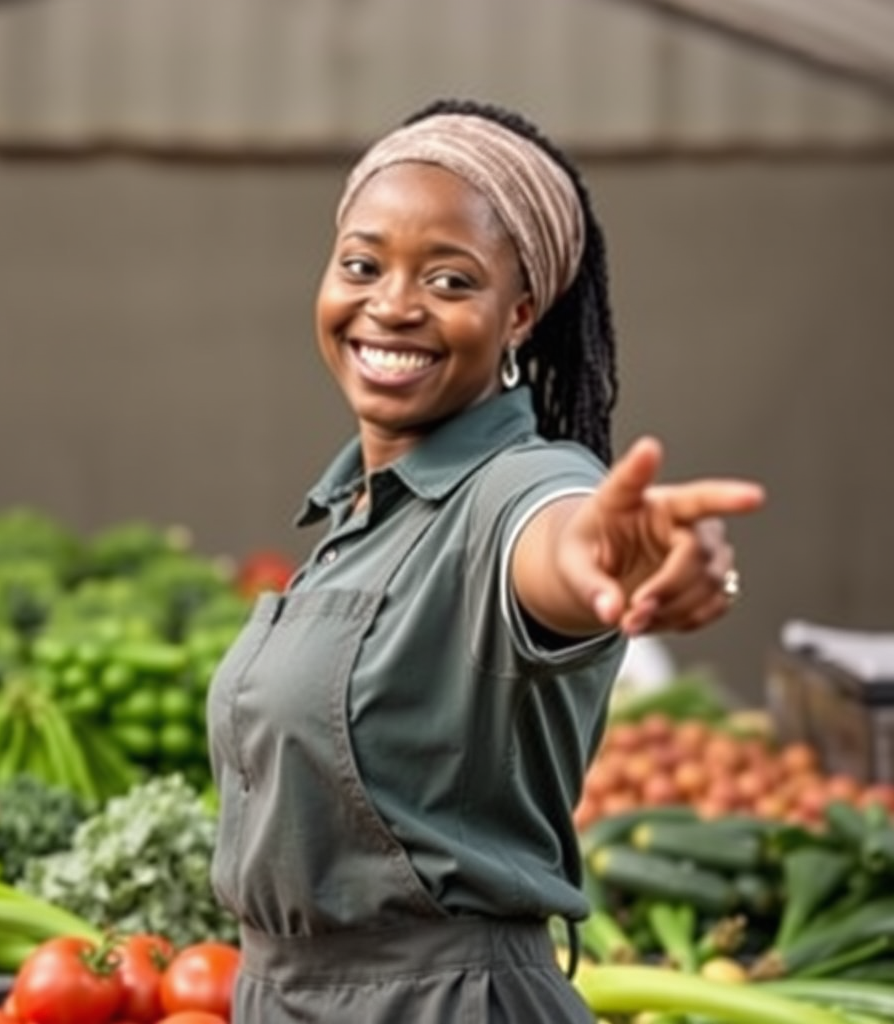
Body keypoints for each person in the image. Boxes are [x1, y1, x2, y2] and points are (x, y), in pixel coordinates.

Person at [207, 98, 765, 1023]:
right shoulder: (355, 513)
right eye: (362, 264)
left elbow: (558, 541)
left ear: (520, 315)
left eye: (451, 280)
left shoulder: (519, 487)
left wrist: (625, 553)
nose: (390, 304)